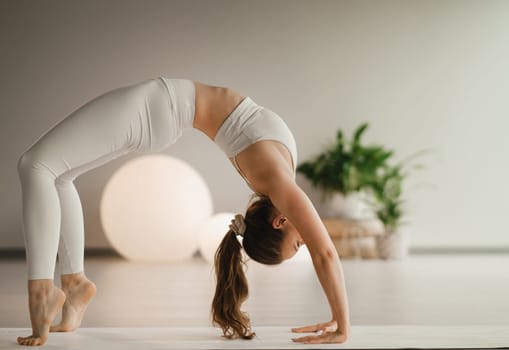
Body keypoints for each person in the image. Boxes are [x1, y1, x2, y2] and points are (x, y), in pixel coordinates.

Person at [16, 77, 351, 346]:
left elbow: (325, 254)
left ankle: (42, 290)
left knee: (35, 165)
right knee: (60, 174)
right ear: (279, 220)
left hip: (157, 106)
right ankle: (74, 284)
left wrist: (342, 325)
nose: (305, 241)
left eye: (297, 245)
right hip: (161, 111)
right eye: (296, 248)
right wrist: (340, 322)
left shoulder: (276, 180)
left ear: (279, 220)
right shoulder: (279, 181)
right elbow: (325, 252)